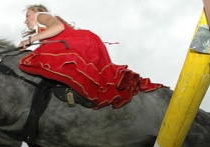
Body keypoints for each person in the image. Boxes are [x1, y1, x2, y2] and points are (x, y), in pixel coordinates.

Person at [18, 5, 164, 110]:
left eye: (27, 15)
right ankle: (77, 92)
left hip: (79, 43)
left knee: (33, 61)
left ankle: (74, 91)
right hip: (84, 41)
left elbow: (58, 28)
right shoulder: (44, 26)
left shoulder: (41, 16)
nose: (25, 20)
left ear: (37, 11)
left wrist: (30, 40)